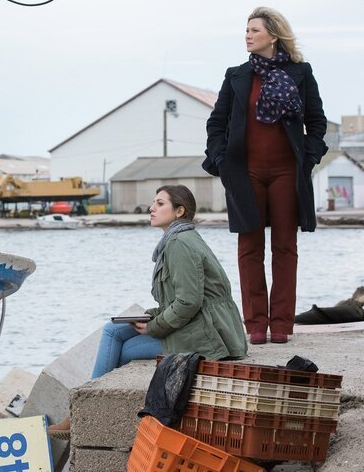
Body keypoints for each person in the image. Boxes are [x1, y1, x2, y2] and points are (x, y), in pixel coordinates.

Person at [48, 185, 247, 438]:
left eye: (160, 203)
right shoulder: (179, 239)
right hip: (200, 325)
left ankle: (80, 412)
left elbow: (188, 303)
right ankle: (81, 409)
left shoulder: (179, 244)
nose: (152, 208)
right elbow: (183, 299)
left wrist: (155, 326)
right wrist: (153, 315)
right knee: (113, 330)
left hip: (206, 335)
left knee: (122, 352)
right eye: (153, 203)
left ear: (179, 211)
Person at [202, 6, 328, 345]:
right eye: (246, 30)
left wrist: (310, 156)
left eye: (254, 30)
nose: (247, 35)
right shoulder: (236, 76)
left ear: (273, 35)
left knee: (285, 247)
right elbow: (217, 123)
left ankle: (282, 326)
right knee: (249, 247)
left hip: (288, 172)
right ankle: (255, 325)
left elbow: (317, 123)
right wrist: (220, 158)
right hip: (246, 173)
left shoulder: (300, 73)